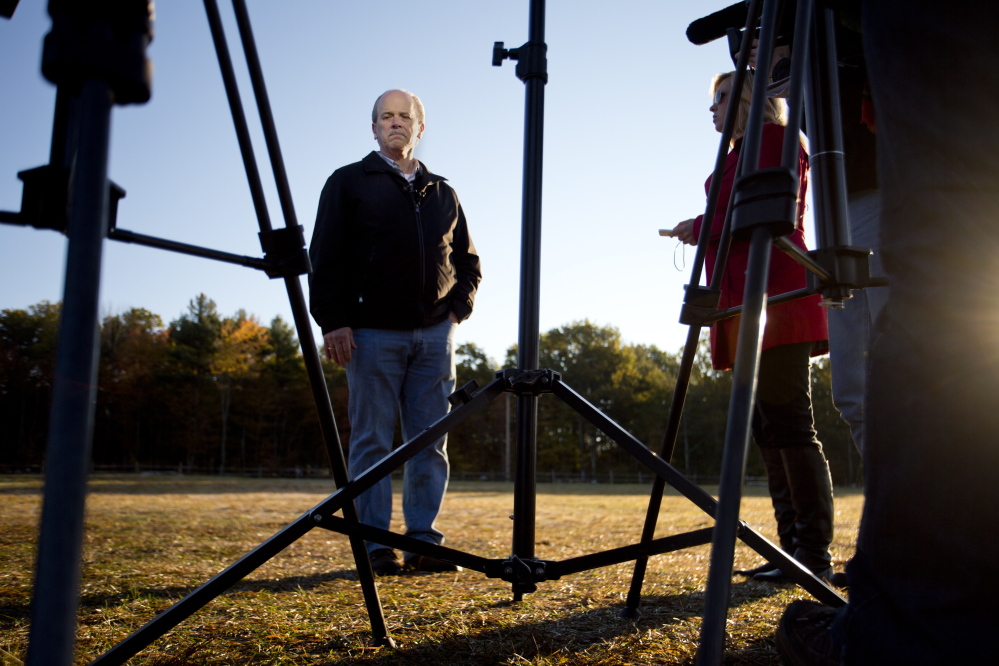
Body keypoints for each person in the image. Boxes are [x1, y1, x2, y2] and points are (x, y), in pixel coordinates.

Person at [775, 1, 999, 663]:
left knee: (940, 308)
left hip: (889, 174)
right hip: (855, 190)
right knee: (877, 374)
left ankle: (912, 618)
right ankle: (911, 577)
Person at [671, 71, 836, 583]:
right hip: (746, 299)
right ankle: (790, 550)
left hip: (777, 291)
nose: (712, 111)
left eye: (718, 99)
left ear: (744, 100)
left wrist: (696, 228)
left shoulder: (773, 140)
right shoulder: (741, 151)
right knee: (769, 423)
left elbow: (758, 216)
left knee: (789, 418)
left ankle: (812, 555)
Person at [309, 89, 482, 576]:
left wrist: (456, 311)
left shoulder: (444, 191)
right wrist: (334, 320)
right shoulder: (347, 183)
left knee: (431, 440)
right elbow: (325, 258)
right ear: (374, 129)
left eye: (405, 117)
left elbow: (468, 261)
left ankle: (423, 542)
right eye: (386, 117)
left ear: (420, 129)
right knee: (372, 441)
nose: (396, 123)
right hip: (369, 334)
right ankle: (375, 545)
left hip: (434, 337)